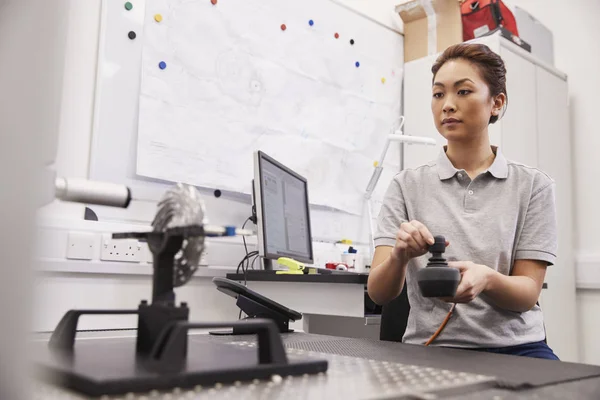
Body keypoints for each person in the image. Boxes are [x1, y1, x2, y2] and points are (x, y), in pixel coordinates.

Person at [367, 43, 559, 360]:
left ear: (496, 103)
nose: (448, 105)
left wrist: (488, 279)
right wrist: (400, 256)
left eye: (463, 92)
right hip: (432, 348)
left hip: (518, 349)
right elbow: (379, 291)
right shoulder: (406, 186)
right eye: (439, 94)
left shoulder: (533, 186)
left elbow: (527, 293)